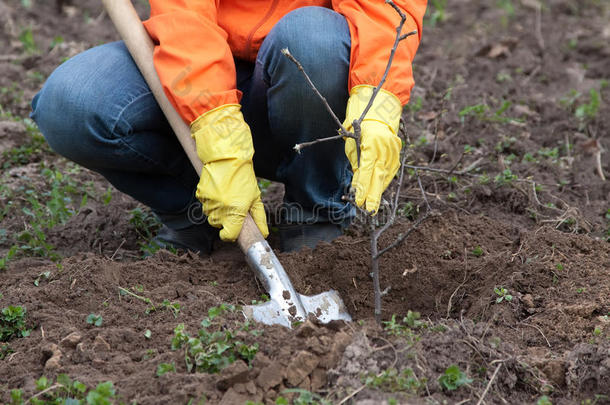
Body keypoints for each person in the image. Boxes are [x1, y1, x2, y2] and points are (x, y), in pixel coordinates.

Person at [31, 1, 427, 254]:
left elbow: (383, 8)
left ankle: (315, 214)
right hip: (200, 63)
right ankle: (197, 213)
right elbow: (186, 19)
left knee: (314, 41)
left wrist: (376, 94)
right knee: (73, 101)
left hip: (304, 77)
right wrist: (216, 127)